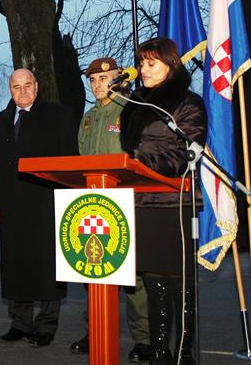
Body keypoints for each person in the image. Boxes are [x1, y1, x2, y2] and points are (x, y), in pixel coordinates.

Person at [119, 37, 207, 365]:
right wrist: (135, 159)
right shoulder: (138, 104)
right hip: (143, 203)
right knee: (153, 282)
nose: (143, 69)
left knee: (179, 285)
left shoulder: (188, 102)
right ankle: (159, 354)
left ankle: (184, 355)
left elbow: (184, 156)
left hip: (175, 204)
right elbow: (130, 148)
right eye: (141, 62)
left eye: (151, 63)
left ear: (170, 65)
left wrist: (142, 158)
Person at [71, 57, 154, 363]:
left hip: (126, 202)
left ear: (119, 79)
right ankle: (96, 331)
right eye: (92, 80)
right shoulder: (88, 118)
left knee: (133, 277)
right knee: (94, 270)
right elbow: (81, 159)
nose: (97, 85)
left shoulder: (133, 111)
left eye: (104, 79)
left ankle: (144, 338)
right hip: (93, 205)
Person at [0, 69, 78, 347]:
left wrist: (66, 199)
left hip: (46, 202)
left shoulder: (59, 115)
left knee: (47, 266)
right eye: (17, 86)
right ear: (10, 89)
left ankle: (46, 325)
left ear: (37, 87)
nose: (23, 91)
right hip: (11, 205)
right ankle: (20, 322)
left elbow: (70, 159)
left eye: (28, 85)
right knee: (15, 265)